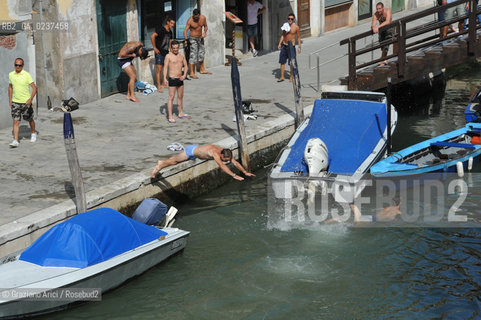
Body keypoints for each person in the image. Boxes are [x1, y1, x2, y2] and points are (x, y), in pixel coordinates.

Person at [151, 144, 256, 180]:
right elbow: (221, 166)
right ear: (221, 155)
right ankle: (159, 165)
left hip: (196, 152)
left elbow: (235, 163)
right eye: (225, 160)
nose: (226, 162)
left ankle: (161, 163)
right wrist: (233, 175)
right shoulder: (214, 153)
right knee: (174, 162)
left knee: (175, 162)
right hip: (190, 151)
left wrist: (245, 172)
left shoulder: (226, 153)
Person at [8, 58, 37, 148]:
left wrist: (30, 99)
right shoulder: (11, 75)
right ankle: (16, 140)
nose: (18, 67)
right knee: (16, 121)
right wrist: (10, 100)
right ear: (14, 65)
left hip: (26, 103)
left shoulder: (26, 75)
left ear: (23, 66)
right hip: (15, 102)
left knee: (29, 119)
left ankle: (33, 132)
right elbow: (10, 87)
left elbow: (34, 88)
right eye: (16, 65)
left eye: (20, 65)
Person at [163, 40, 188, 123]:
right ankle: (170, 116)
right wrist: (164, 78)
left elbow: (186, 66)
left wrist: (184, 75)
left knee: (180, 96)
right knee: (171, 97)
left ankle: (180, 112)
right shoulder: (168, 56)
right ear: (171, 48)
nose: (175, 50)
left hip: (180, 78)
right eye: (174, 48)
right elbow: (165, 68)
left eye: (177, 48)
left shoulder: (182, 55)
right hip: (172, 78)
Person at [184, 8, 211, 79]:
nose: (196, 18)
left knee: (202, 53)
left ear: (199, 15)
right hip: (192, 38)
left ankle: (202, 69)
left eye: (197, 17)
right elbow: (185, 30)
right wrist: (186, 39)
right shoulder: (190, 20)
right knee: (193, 54)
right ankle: (191, 73)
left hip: (200, 38)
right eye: (194, 17)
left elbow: (206, 26)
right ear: (193, 15)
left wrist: (204, 32)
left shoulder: (203, 18)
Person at [151, 16, 175, 92]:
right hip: (159, 52)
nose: (172, 25)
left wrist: (172, 52)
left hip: (166, 52)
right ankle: (158, 86)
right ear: (167, 22)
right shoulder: (161, 29)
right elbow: (152, 36)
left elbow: (170, 43)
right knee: (159, 69)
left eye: (173, 24)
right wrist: (154, 48)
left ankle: (164, 83)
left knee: (165, 69)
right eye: (171, 23)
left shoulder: (170, 32)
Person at [277, 13, 301, 82]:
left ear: (294, 19)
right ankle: (282, 77)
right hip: (284, 45)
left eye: (291, 19)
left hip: (291, 46)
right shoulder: (285, 25)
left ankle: (291, 77)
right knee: (282, 61)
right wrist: (279, 43)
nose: (290, 20)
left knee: (291, 62)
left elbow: (299, 38)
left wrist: (299, 47)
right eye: (289, 18)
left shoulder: (296, 27)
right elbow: (283, 35)